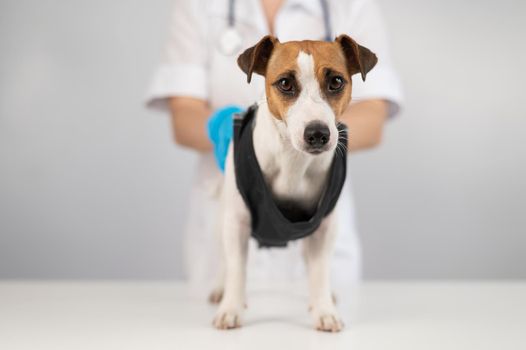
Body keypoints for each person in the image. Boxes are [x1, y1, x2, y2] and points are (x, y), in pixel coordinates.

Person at [146, 0, 403, 297]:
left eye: (334, 84)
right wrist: (226, 131)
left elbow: (373, 120)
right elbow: (183, 118)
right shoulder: (198, 5)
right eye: (286, 85)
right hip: (226, 230)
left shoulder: (351, 5)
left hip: (319, 222)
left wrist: (313, 131)